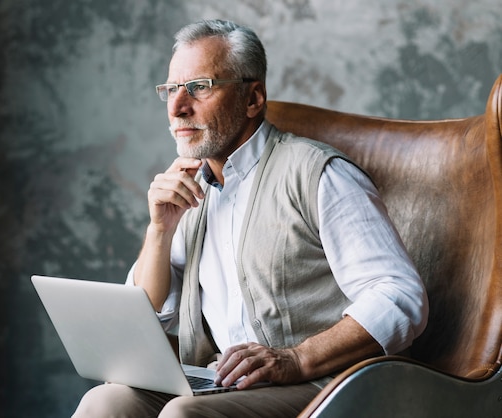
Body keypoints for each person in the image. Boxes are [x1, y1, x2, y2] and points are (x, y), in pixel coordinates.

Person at [72, 19, 428, 417]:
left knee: (182, 414)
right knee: (105, 401)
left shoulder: (318, 174)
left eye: (199, 87)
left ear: (253, 98)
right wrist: (160, 230)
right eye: (171, 89)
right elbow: (147, 318)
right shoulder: (189, 189)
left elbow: (400, 296)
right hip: (223, 383)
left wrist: (297, 358)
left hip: (326, 384)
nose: (177, 107)